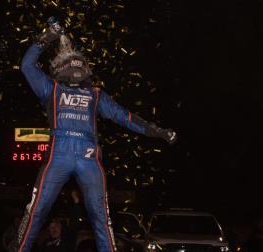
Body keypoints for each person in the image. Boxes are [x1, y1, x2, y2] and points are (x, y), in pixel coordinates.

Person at [15, 17, 177, 252]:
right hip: (59, 157)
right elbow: (27, 66)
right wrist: (48, 36)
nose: (75, 63)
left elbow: (125, 117)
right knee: (37, 210)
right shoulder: (50, 89)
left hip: (88, 158)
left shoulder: (95, 94)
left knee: (101, 217)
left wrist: (158, 131)